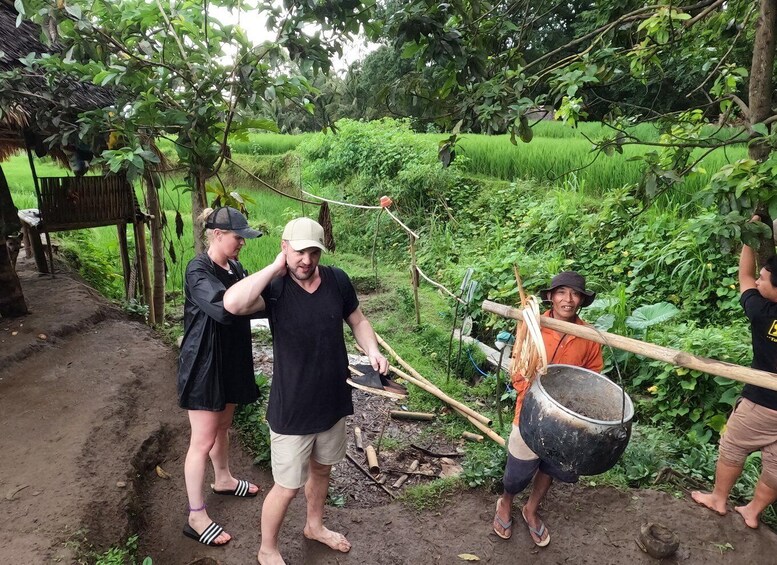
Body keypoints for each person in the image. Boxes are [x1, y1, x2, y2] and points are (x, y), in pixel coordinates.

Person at [223, 216, 388, 565]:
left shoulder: (337, 280)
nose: (307, 260)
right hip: (292, 407)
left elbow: (357, 320)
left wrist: (372, 350)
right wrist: (273, 269)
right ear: (284, 249)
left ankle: (314, 526)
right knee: (286, 487)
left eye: (314, 252)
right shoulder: (276, 288)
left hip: (332, 400)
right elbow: (233, 304)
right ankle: (267, 548)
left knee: (323, 469)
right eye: (299, 252)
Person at [493, 271, 603, 546]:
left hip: (565, 417)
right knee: (518, 472)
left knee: (552, 467)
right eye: (562, 292)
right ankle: (505, 502)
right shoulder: (532, 325)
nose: (568, 299)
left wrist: (573, 404)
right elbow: (518, 366)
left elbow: (592, 377)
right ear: (551, 297)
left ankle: (530, 508)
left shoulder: (588, 336)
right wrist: (530, 391)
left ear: (581, 300)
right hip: (529, 409)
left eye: (575, 294)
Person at [178, 206, 263, 547]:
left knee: (223, 427)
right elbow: (226, 307)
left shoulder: (237, 268)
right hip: (204, 364)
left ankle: (224, 478)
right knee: (202, 440)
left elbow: (253, 300)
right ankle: (196, 515)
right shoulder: (198, 269)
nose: (241, 243)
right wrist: (250, 303)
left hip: (229, 361)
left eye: (243, 238)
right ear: (216, 235)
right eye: (236, 237)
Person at [692, 218, 777, 528]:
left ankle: (718, 498)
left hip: (762, 403)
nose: (759, 282)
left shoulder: (761, 312)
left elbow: (744, 276)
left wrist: (747, 237)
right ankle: (753, 511)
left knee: (733, 446)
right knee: (776, 468)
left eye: (765, 279)